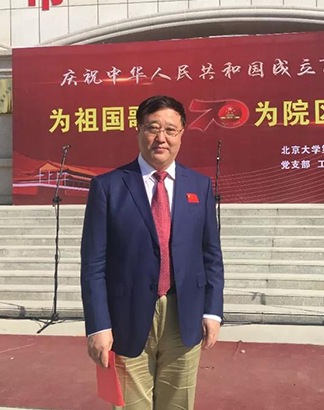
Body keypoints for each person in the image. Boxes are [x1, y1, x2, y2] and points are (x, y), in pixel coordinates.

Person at [81, 95, 224, 410]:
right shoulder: (108, 187)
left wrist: (212, 312)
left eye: (171, 130)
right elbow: (93, 264)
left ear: (182, 134)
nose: (162, 138)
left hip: (184, 317)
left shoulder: (199, 185)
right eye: (153, 128)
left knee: (178, 404)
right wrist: (98, 325)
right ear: (139, 131)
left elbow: (211, 255)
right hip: (126, 318)